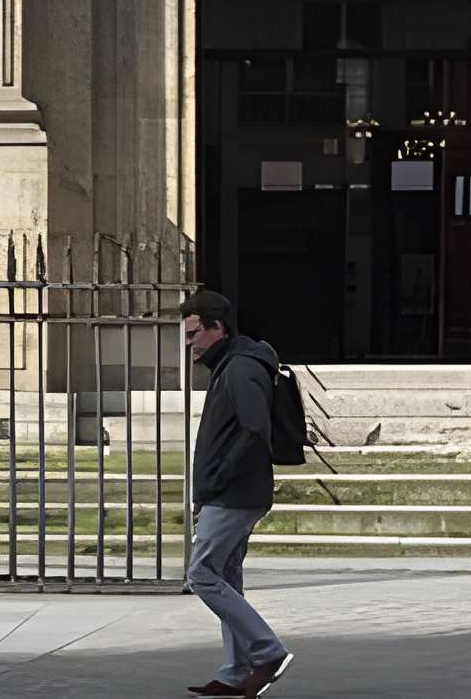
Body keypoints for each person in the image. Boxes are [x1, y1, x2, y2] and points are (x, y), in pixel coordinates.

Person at [180, 290, 291, 697]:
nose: (189, 343)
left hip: (233, 494)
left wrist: (217, 481)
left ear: (218, 328)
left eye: (193, 333)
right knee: (226, 576)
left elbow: (254, 429)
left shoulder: (241, 368)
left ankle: (267, 651)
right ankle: (235, 672)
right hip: (228, 492)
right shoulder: (230, 365)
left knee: (201, 574)